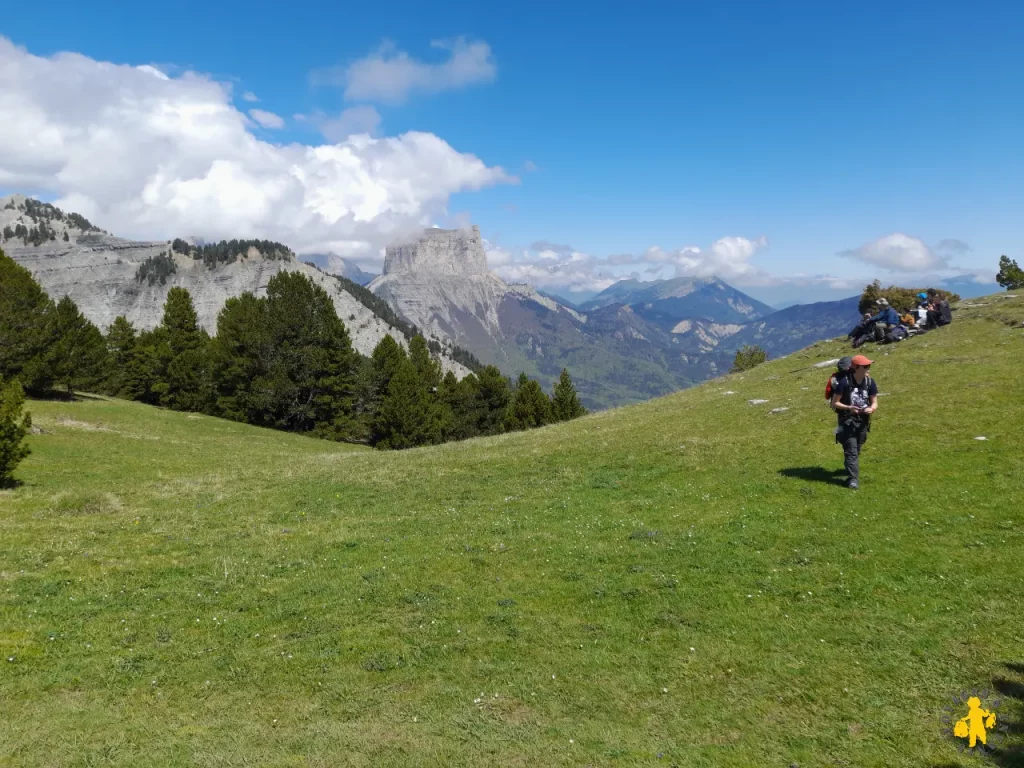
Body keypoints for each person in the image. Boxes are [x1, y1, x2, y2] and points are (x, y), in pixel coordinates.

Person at [830, 354, 878, 489]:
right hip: (847, 421)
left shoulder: (870, 382)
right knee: (851, 450)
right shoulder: (844, 383)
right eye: (866, 366)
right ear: (856, 368)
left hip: (863, 420)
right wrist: (849, 408)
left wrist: (871, 409)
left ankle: (850, 467)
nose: (869, 368)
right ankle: (853, 480)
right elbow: (835, 403)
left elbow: (874, 402)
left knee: (857, 447)